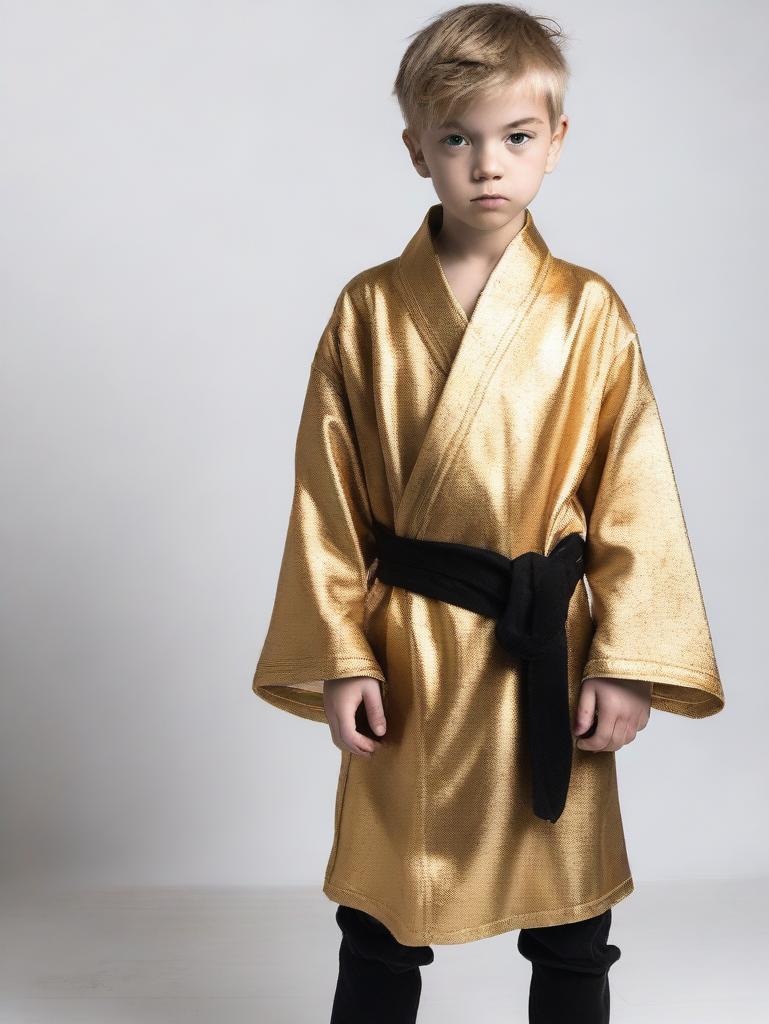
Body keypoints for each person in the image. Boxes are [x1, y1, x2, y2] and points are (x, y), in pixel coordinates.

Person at [251, 4, 725, 1021]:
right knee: (382, 912)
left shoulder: (587, 310)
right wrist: (342, 655)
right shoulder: (368, 311)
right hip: (413, 651)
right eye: (457, 138)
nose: (486, 165)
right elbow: (326, 504)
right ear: (416, 147)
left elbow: (632, 494)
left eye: (514, 136)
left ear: (556, 143)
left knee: (571, 924)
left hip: (543, 647)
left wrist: (626, 658)